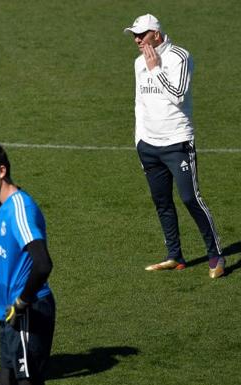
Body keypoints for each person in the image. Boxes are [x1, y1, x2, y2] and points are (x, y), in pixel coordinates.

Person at [123, 14, 224, 278]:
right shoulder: (137, 63)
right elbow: (139, 104)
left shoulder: (179, 57)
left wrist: (155, 68)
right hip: (149, 146)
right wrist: (139, 141)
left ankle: (215, 254)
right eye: (134, 35)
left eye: (141, 34)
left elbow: (178, 95)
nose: (136, 39)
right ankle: (174, 256)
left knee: (191, 198)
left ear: (156, 34)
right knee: (161, 201)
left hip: (177, 143)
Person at [0, 143, 55, 385]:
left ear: (1, 171)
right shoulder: (3, 206)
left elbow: (43, 263)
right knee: (6, 380)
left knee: (27, 381)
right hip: (10, 311)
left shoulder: (20, 208)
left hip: (27, 309)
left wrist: (22, 302)